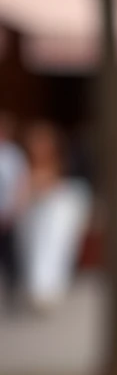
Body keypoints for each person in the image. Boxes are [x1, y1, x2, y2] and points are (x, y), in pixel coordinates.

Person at [17, 120, 92, 312]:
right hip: (32, 216)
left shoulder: (66, 168)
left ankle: (47, 289)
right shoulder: (23, 165)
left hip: (54, 213)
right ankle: (38, 288)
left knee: (53, 244)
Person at [0, 112, 28, 310]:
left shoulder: (14, 154)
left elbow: (20, 183)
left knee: (10, 257)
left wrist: (14, 208)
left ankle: (13, 294)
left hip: (7, 212)